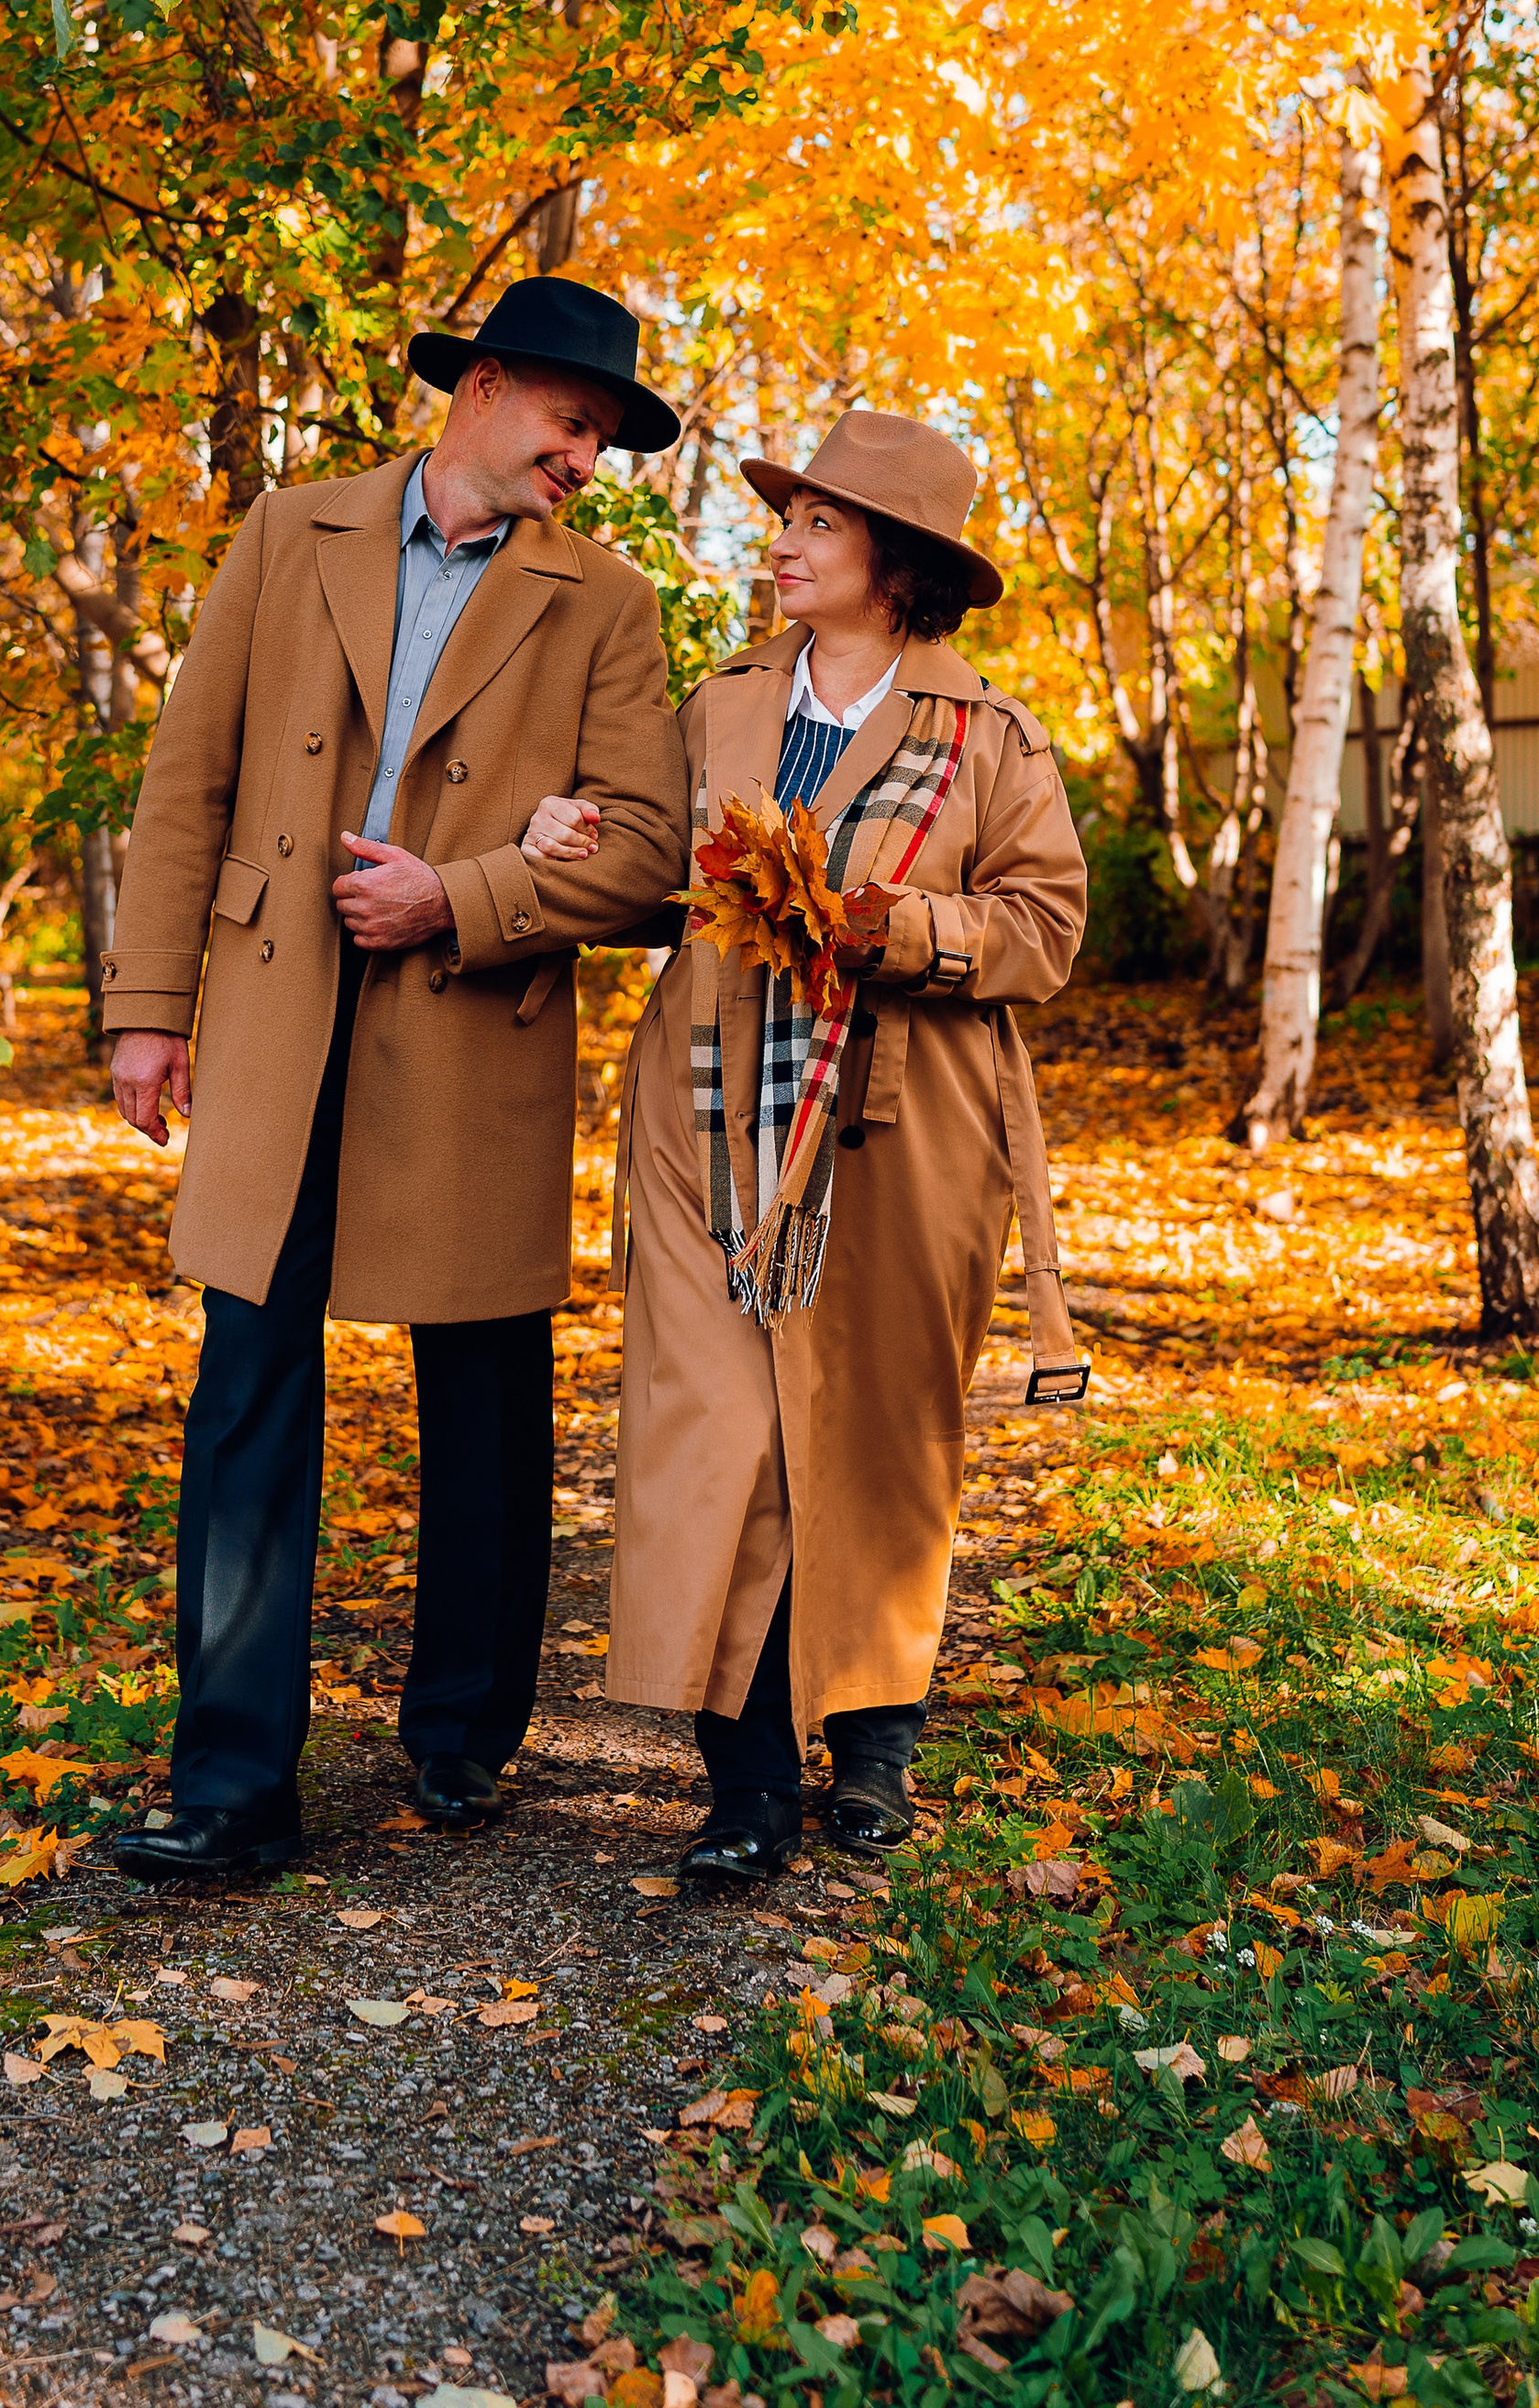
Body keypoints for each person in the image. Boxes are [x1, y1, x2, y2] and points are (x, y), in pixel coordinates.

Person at [98, 279, 691, 1875]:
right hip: (279, 1014)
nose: (588, 458)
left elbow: (649, 860)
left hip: (468, 1024)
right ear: (484, 388)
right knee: (247, 1394)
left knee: (483, 1395)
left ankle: (463, 1737)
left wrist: (466, 895)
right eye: (574, 423)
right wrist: (148, 1005)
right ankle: (230, 1787)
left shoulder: (608, 602)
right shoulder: (294, 534)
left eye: (606, 441)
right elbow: (189, 777)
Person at [525, 409, 1087, 1879]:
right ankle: (747, 1778)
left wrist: (902, 930)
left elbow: (1044, 927)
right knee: (722, 1426)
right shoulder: (718, 707)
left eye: (818, 524)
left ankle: (877, 1746)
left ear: (896, 567)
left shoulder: (990, 735)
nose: (779, 542)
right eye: (788, 519)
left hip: (907, 1132)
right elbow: (662, 867)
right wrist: (569, 844)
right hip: (712, 1115)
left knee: (886, 1429)